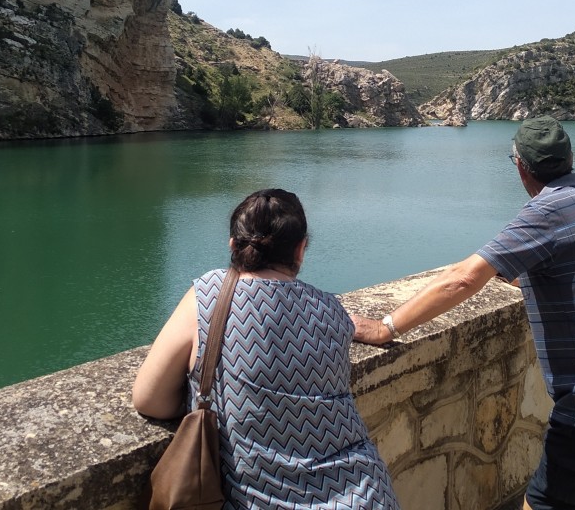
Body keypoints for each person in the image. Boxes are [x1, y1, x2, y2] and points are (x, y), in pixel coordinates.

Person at [352, 116, 575, 510]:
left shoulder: (546, 211)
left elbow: (462, 279)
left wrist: (386, 326)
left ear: (520, 167)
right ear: (571, 157)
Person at [134, 188, 400, 509]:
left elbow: (150, 401)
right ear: (301, 249)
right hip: (366, 494)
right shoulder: (332, 310)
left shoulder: (209, 294)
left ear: (233, 245)